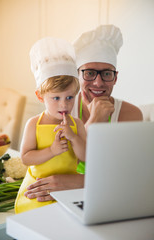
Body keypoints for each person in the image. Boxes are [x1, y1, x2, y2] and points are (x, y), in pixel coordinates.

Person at [24, 24, 143, 202]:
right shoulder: (61, 107)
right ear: (77, 76)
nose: (98, 82)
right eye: (89, 73)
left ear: (115, 77)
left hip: (105, 198)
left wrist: (78, 181)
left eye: (107, 74)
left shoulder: (131, 114)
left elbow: (130, 176)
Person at [14, 37, 86, 213]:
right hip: (38, 188)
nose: (64, 105)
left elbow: (85, 156)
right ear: (40, 96)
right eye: (56, 98)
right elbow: (26, 158)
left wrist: (74, 137)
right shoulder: (34, 124)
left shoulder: (76, 124)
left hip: (69, 189)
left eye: (70, 97)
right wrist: (52, 151)